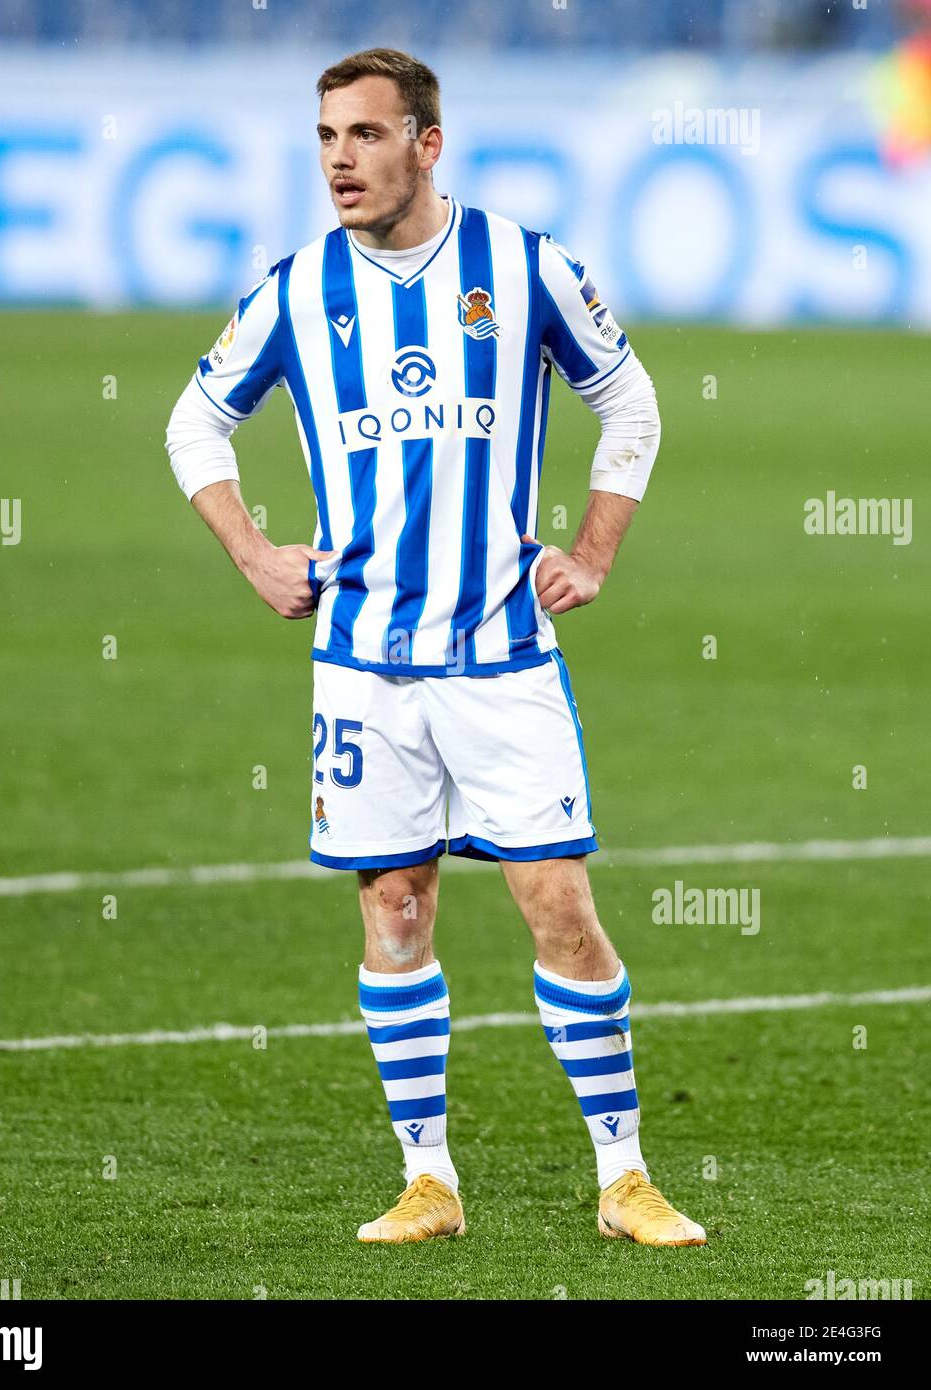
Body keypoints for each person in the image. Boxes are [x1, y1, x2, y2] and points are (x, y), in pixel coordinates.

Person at [166, 47, 705, 1248]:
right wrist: (252, 551)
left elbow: (630, 400)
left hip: (503, 655)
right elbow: (195, 420)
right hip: (360, 662)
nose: (339, 161)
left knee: (556, 903)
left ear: (426, 142)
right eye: (323, 138)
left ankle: (623, 1177)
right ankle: (428, 1180)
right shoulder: (298, 290)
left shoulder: (522, 267)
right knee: (395, 912)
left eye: (363, 135)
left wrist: (596, 548)